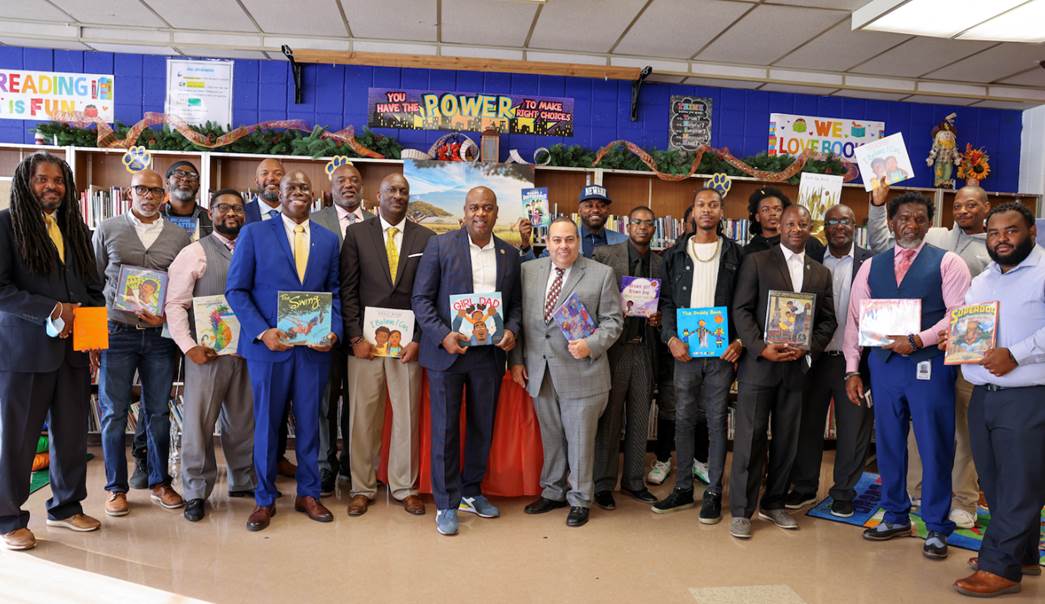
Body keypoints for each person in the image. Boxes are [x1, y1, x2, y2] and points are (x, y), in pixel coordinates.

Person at [844, 191, 972, 560]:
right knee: (887, 442)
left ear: (929, 223)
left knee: (935, 444)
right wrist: (852, 370)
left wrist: (918, 340)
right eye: (903, 218)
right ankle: (896, 513)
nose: (911, 225)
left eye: (919, 219)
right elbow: (855, 320)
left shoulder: (949, 264)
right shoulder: (872, 266)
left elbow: (957, 315)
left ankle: (936, 525)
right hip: (883, 368)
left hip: (928, 365)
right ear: (891, 222)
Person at [868, 182, 990, 529]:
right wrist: (879, 203)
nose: (964, 211)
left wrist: (919, 339)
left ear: (985, 208)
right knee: (918, 431)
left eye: (972, 206)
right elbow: (884, 241)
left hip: (967, 349)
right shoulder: (935, 236)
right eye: (959, 206)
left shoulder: (994, 245)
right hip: (920, 354)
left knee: (960, 431)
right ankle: (918, 495)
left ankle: (963, 500)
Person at [226, 170, 342, 532]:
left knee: (311, 424)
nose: (298, 193)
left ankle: (308, 493)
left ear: (314, 195)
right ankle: (264, 498)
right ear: (278, 193)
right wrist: (262, 332)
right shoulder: (254, 233)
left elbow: (335, 293)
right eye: (291, 187)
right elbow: (236, 291)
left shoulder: (327, 239)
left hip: (312, 350)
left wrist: (334, 333)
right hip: (270, 349)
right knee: (266, 425)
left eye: (305, 188)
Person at [0, 154, 105, 551]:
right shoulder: (5, 224)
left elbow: (92, 291)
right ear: (26, 183)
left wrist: (93, 338)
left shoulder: (75, 227)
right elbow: (1, 290)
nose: (51, 187)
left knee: (72, 435)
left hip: (73, 353)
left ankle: (65, 505)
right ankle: (8, 517)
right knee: (18, 439)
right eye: (42, 179)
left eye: (59, 181)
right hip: (24, 354)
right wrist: (53, 310)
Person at [411, 186, 522, 536]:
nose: (480, 214)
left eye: (487, 208)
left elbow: (515, 305)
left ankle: (472, 491)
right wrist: (443, 335)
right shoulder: (440, 246)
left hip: (487, 355)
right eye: (474, 207)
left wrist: (512, 331)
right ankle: (446, 503)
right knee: (445, 430)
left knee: (481, 426)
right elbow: (421, 299)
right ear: (465, 210)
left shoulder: (509, 253)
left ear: (495, 212)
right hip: (447, 353)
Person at [948, 202, 1045, 597]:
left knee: (1020, 481)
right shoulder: (983, 279)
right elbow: (971, 326)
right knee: (994, 478)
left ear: (1031, 234)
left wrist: (1016, 354)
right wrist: (953, 339)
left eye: (1011, 231)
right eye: (993, 233)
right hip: (982, 393)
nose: (1001, 239)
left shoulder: (1043, 273)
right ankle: (1022, 553)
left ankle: (999, 567)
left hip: (1026, 395)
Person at [730, 205, 836, 539]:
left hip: (795, 369)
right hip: (760, 366)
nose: (796, 229)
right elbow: (742, 310)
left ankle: (774, 504)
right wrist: (760, 347)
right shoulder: (758, 261)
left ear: (810, 228)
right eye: (790, 223)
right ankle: (742, 511)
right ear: (780, 225)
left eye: (803, 224)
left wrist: (809, 347)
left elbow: (827, 320)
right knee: (750, 438)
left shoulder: (820, 272)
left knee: (788, 440)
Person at [510, 217, 623, 528]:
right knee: (552, 437)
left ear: (578, 241)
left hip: (583, 372)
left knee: (580, 440)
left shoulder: (601, 274)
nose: (563, 246)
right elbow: (519, 320)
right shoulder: (528, 271)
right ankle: (553, 491)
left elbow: (613, 322)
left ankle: (580, 499)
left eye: (569, 240)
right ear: (547, 243)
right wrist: (517, 361)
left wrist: (590, 344)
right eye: (557, 240)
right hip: (540, 370)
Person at [93, 169, 191, 517]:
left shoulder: (180, 238)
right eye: (140, 189)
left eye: (154, 190)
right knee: (113, 413)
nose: (147, 196)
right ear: (128, 193)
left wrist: (167, 319)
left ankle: (159, 482)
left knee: (158, 412)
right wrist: (93, 338)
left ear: (164, 195)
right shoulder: (107, 230)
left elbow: (183, 290)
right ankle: (115, 488)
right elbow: (94, 286)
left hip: (159, 338)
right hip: (116, 335)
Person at [341, 173, 434, 518]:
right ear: (377, 196)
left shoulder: (426, 238)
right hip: (365, 344)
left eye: (403, 191)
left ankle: (405, 487)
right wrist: (354, 338)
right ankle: (362, 487)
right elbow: (347, 290)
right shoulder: (357, 234)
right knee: (362, 417)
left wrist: (421, 340)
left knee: (407, 417)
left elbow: (429, 296)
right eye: (391, 190)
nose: (397, 195)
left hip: (407, 345)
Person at [651, 188, 743, 524]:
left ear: (722, 213)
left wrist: (741, 342)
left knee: (717, 420)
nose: (707, 210)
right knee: (684, 419)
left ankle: (715, 492)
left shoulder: (736, 254)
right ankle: (683, 488)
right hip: (685, 353)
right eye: (701, 205)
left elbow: (747, 303)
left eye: (713, 205)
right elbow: (667, 304)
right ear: (691, 212)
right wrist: (671, 338)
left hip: (721, 354)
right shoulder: (674, 254)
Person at [164, 190, 255, 522]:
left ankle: (243, 480)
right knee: (198, 424)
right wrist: (189, 346)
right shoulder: (194, 252)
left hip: (246, 352)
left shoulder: (253, 248)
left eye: (237, 208)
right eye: (223, 207)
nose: (231, 213)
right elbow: (175, 304)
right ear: (210, 212)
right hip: (206, 353)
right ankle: (195, 490)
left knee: (244, 421)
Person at [784, 204, 874, 518]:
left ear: (854, 225)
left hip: (855, 363)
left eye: (845, 220)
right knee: (807, 426)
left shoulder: (871, 261)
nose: (839, 226)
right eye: (832, 220)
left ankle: (843, 493)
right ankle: (805, 487)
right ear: (824, 227)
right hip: (813, 357)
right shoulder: (809, 259)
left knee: (853, 429)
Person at [591, 206, 664, 510]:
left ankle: (634, 481)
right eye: (637, 222)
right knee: (609, 419)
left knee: (639, 416)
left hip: (645, 348)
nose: (643, 228)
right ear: (626, 225)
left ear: (654, 229)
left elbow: (668, 303)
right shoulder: (605, 255)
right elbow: (591, 296)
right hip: (615, 349)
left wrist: (659, 319)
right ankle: (603, 484)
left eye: (649, 223)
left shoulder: (661, 263)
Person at [311, 162, 375, 493]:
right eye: (341, 181)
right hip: (321, 326)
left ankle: (353, 463)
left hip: (363, 329)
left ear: (362, 188)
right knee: (324, 399)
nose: (348, 185)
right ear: (331, 187)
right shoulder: (313, 221)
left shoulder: (375, 224)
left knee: (357, 400)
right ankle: (325, 464)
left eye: (354, 180)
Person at [242, 157, 297, 479]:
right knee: (253, 406)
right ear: (256, 179)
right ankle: (252, 470)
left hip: (292, 332)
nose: (272, 178)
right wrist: (260, 329)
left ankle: (276, 459)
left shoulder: (302, 221)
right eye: (266, 173)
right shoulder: (241, 215)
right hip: (254, 326)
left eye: (278, 173)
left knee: (281, 403)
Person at [522, 185, 627, 260]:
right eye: (589, 205)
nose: (595, 210)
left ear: (608, 211)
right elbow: (537, 268)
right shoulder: (562, 239)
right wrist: (526, 244)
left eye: (601, 206)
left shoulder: (624, 241)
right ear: (579, 211)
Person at [742, 187, 825, 258]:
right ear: (757, 217)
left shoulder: (808, 243)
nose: (772, 213)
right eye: (765, 210)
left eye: (778, 209)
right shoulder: (749, 251)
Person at [160, 160, 212, 242]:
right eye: (178, 174)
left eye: (192, 175)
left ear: (198, 186)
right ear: (167, 183)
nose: (185, 179)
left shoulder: (210, 219)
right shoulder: (155, 216)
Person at [244, 158, 286, 223]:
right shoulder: (243, 213)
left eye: (278, 174)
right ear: (256, 181)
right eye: (264, 173)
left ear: (286, 180)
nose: (271, 178)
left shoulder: (297, 213)